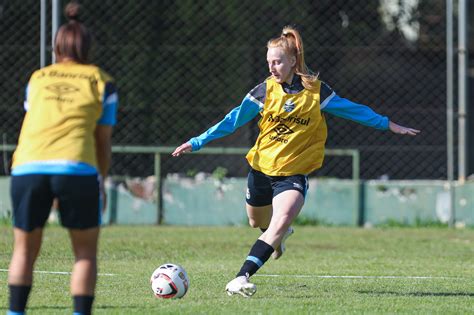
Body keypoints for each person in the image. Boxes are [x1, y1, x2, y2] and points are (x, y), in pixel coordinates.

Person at [172, 25, 419, 297]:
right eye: (269, 62)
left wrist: (387, 124)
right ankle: (277, 239)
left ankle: (241, 277)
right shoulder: (264, 92)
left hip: (293, 175)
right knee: (257, 223)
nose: (272, 67)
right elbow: (231, 121)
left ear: (292, 61)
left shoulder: (316, 92)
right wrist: (196, 142)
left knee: (280, 221)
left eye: (277, 61)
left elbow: (353, 110)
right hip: (261, 169)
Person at [7, 2, 118, 314]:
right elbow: (102, 141)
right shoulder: (101, 81)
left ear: (56, 47)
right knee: (84, 254)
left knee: (24, 252)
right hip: (76, 168)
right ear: (88, 48)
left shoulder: (38, 78)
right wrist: (101, 182)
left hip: (27, 167)